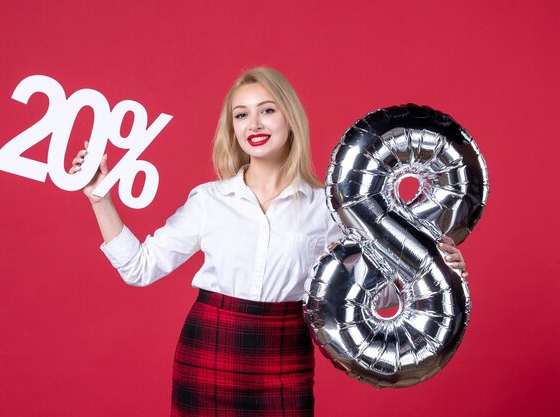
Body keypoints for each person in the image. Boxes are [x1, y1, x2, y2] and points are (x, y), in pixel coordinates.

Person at [69, 67, 467, 416]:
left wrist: (434, 271)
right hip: (210, 348)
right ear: (233, 129)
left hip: (284, 357)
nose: (254, 124)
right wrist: (100, 200)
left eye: (267, 110)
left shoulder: (328, 210)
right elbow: (139, 269)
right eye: (241, 115)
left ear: (289, 118)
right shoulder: (209, 201)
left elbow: (373, 298)